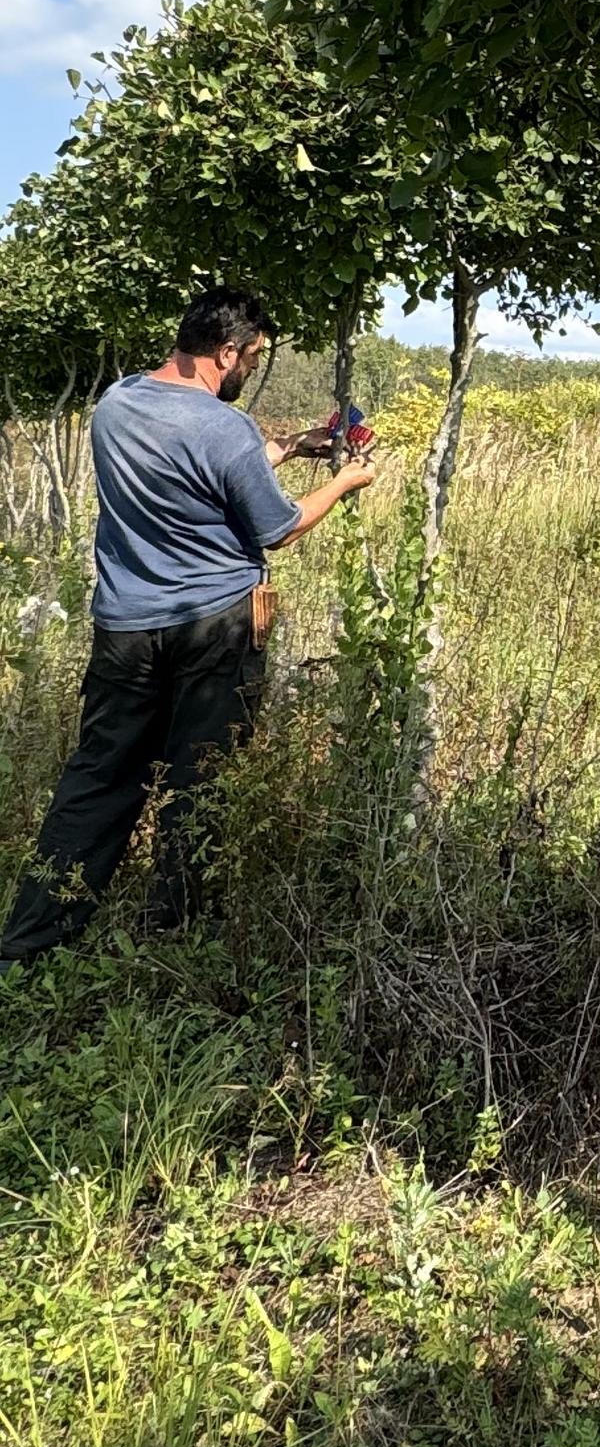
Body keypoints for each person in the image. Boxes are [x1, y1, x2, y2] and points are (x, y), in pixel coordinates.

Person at [0, 286, 376, 968]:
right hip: (215, 628)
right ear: (226, 352)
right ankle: (174, 938)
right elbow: (279, 526)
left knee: (99, 777)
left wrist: (288, 447)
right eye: (251, 359)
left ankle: (30, 942)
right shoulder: (226, 429)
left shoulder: (116, 405)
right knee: (200, 780)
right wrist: (346, 480)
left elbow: (192, 468)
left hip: (124, 627)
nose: (249, 371)